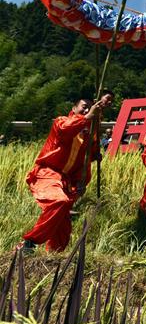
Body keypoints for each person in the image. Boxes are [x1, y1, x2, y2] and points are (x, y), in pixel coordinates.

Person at [20, 91, 113, 252]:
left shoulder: (88, 135)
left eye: (90, 108)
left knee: (63, 226)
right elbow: (65, 130)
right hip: (48, 173)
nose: (87, 110)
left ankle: (54, 256)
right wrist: (87, 117)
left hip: (65, 181)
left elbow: (84, 164)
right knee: (59, 202)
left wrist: (92, 160)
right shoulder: (62, 121)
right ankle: (29, 243)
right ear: (74, 108)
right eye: (84, 107)